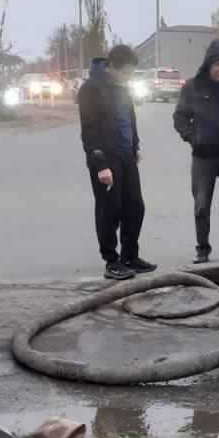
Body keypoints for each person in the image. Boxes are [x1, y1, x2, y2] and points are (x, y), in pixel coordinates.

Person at [78, 44, 157, 280]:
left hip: (126, 154)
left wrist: (135, 145)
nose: (129, 77)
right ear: (111, 66)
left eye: (132, 73)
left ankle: (130, 256)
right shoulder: (91, 89)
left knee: (135, 207)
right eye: (126, 73)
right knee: (109, 209)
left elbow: (128, 117)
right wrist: (100, 164)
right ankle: (111, 261)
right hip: (106, 156)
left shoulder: (123, 86)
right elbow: (89, 130)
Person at [172, 38, 219, 263]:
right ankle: (202, 249)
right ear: (208, 65)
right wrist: (193, 138)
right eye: (217, 64)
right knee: (202, 206)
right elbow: (180, 117)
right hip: (203, 158)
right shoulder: (192, 87)